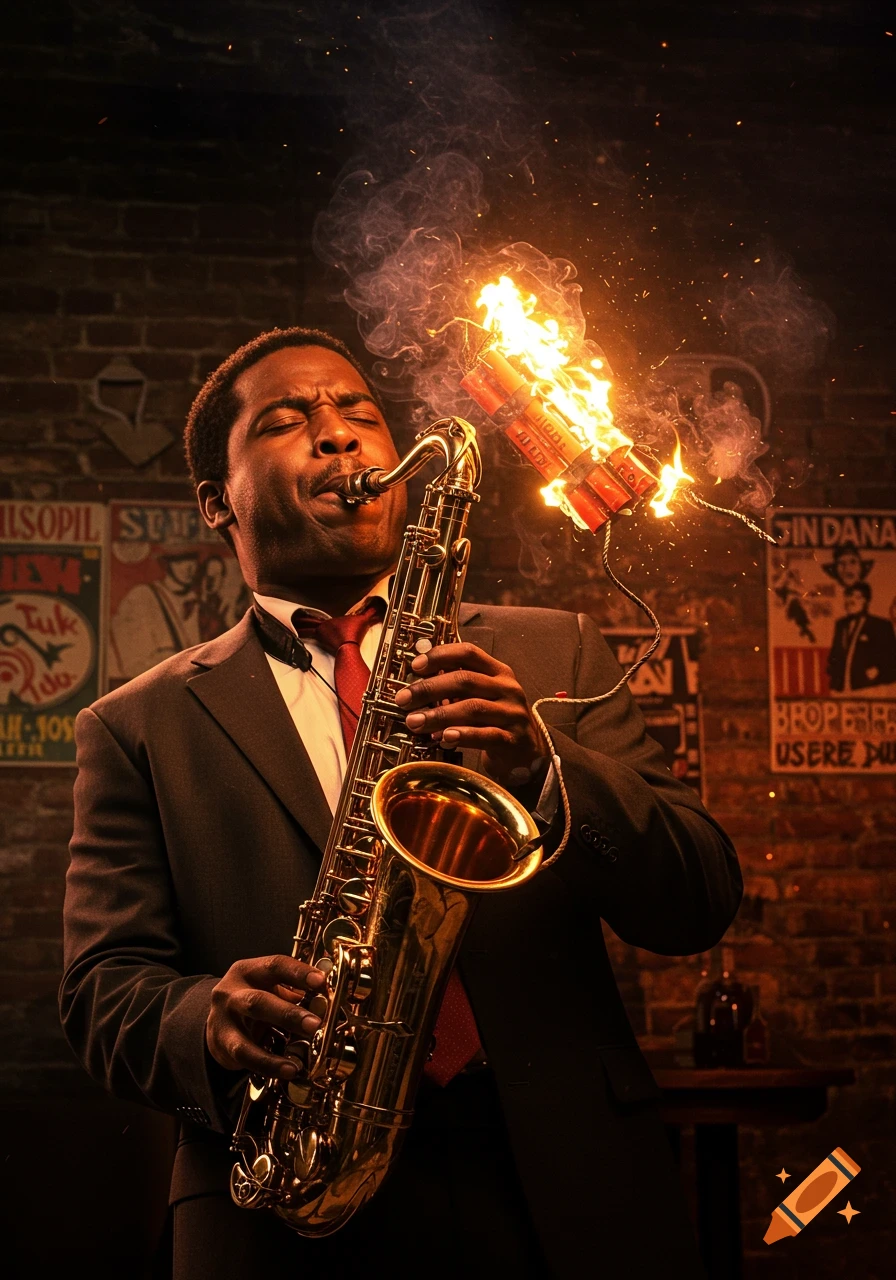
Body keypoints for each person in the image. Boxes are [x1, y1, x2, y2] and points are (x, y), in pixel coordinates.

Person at [61, 327, 743, 1279]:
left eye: (360, 413)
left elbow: (699, 896)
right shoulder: (135, 725)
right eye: (288, 421)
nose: (340, 435)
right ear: (218, 501)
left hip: (562, 1186)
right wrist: (204, 1018)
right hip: (288, 1202)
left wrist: (542, 764)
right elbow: (102, 990)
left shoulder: (559, 651)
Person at [827, 580, 896, 693]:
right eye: (849, 596)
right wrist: (834, 676)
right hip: (841, 689)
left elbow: (891, 659)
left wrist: (877, 672)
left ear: (866, 601)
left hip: (870, 689)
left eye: (857, 597)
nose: (851, 600)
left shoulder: (880, 625)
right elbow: (834, 655)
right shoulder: (841, 625)